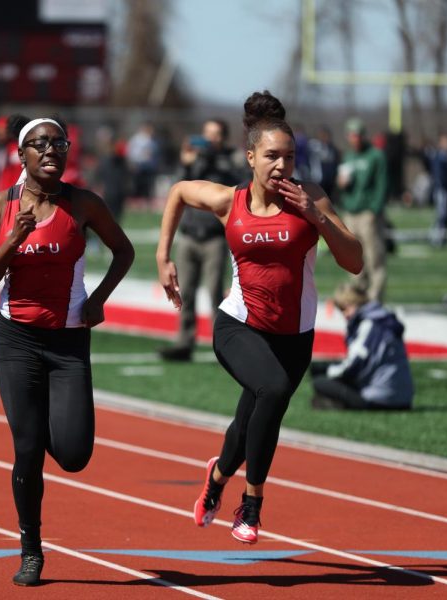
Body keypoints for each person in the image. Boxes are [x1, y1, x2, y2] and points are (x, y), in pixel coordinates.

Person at [156, 91, 362, 545]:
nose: (281, 165)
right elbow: (177, 192)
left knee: (249, 421)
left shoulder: (311, 199)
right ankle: (252, 504)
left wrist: (318, 219)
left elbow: (355, 261)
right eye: (271, 156)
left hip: (294, 335)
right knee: (273, 390)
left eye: (289, 157)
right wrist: (162, 254)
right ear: (251, 157)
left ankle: (217, 476)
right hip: (239, 326)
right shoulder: (232, 201)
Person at [0, 115, 134, 586]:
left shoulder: (82, 204)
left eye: (59, 144)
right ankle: (30, 550)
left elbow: (123, 251)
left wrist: (99, 298)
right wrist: (14, 240)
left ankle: (43, 415)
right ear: (21, 156)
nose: (51, 151)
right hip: (16, 339)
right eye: (40, 144)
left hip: (68, 341)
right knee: (27, 451)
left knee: (74, 454)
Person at [159, 118, 238, 362]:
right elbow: (178, 188)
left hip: (214, 236)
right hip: (189, 234)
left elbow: (237, 179)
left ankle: (223, 344)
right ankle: (185, 341)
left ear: (223, 137)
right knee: (185, 291)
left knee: (215, 292)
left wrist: (214, 158)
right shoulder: (194, 158)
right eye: (207, 134)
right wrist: (186, 163)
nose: (210, 139)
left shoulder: (231, 158)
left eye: (215, 135)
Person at [310, 283, 414, 410]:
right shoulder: (382, 318)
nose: (345, 314)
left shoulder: (369, 324)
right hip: (403, 397)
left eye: (346, 308)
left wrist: (328, 370)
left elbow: (356, 366)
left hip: (382, 398)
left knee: (320, 382)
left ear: (356, 302)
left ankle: (339, 404)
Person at [337, 117, 389, 302]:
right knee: (354, 257)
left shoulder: (376, 155)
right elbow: (342, 182)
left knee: (373, 255)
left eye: (357, 135)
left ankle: (375, 296)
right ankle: (358, 294)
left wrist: (375, 210)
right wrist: (342, 185)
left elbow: (382, 185)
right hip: (351, 211)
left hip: (368, 213)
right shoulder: (348, 156)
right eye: (352, 135)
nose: (355, 139)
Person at [424, 133, 447, 247]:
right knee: (441, 214)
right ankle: (437, 238)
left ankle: (441, 237)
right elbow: (438, 175)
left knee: (445, 214)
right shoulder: (439, 156)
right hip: (442, 190)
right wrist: (441, 186)